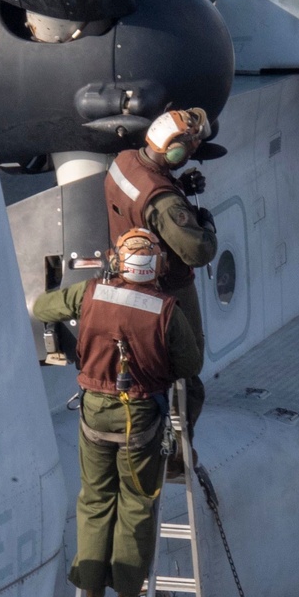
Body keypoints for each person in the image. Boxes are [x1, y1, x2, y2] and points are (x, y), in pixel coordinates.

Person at [32, 228, 202, 597]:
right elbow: (190, 366)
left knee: (94, 503)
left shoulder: (90, 294)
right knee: (136, 509)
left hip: (94, 415)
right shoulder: (166, 311)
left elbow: (42, 308)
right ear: (155, 266)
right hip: (140, 420)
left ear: (118, 262)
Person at [105, 108, 219, 425]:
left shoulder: (124, 161)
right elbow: (197, 251)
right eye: (188, 146)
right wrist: (207, 227)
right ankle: (179, 446)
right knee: (187, 363)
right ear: (173, 149)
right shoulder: (164, 202)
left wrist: (178, 187)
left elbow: (141, 203)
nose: (192, 151)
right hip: (168, 286)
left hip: (125, 273)